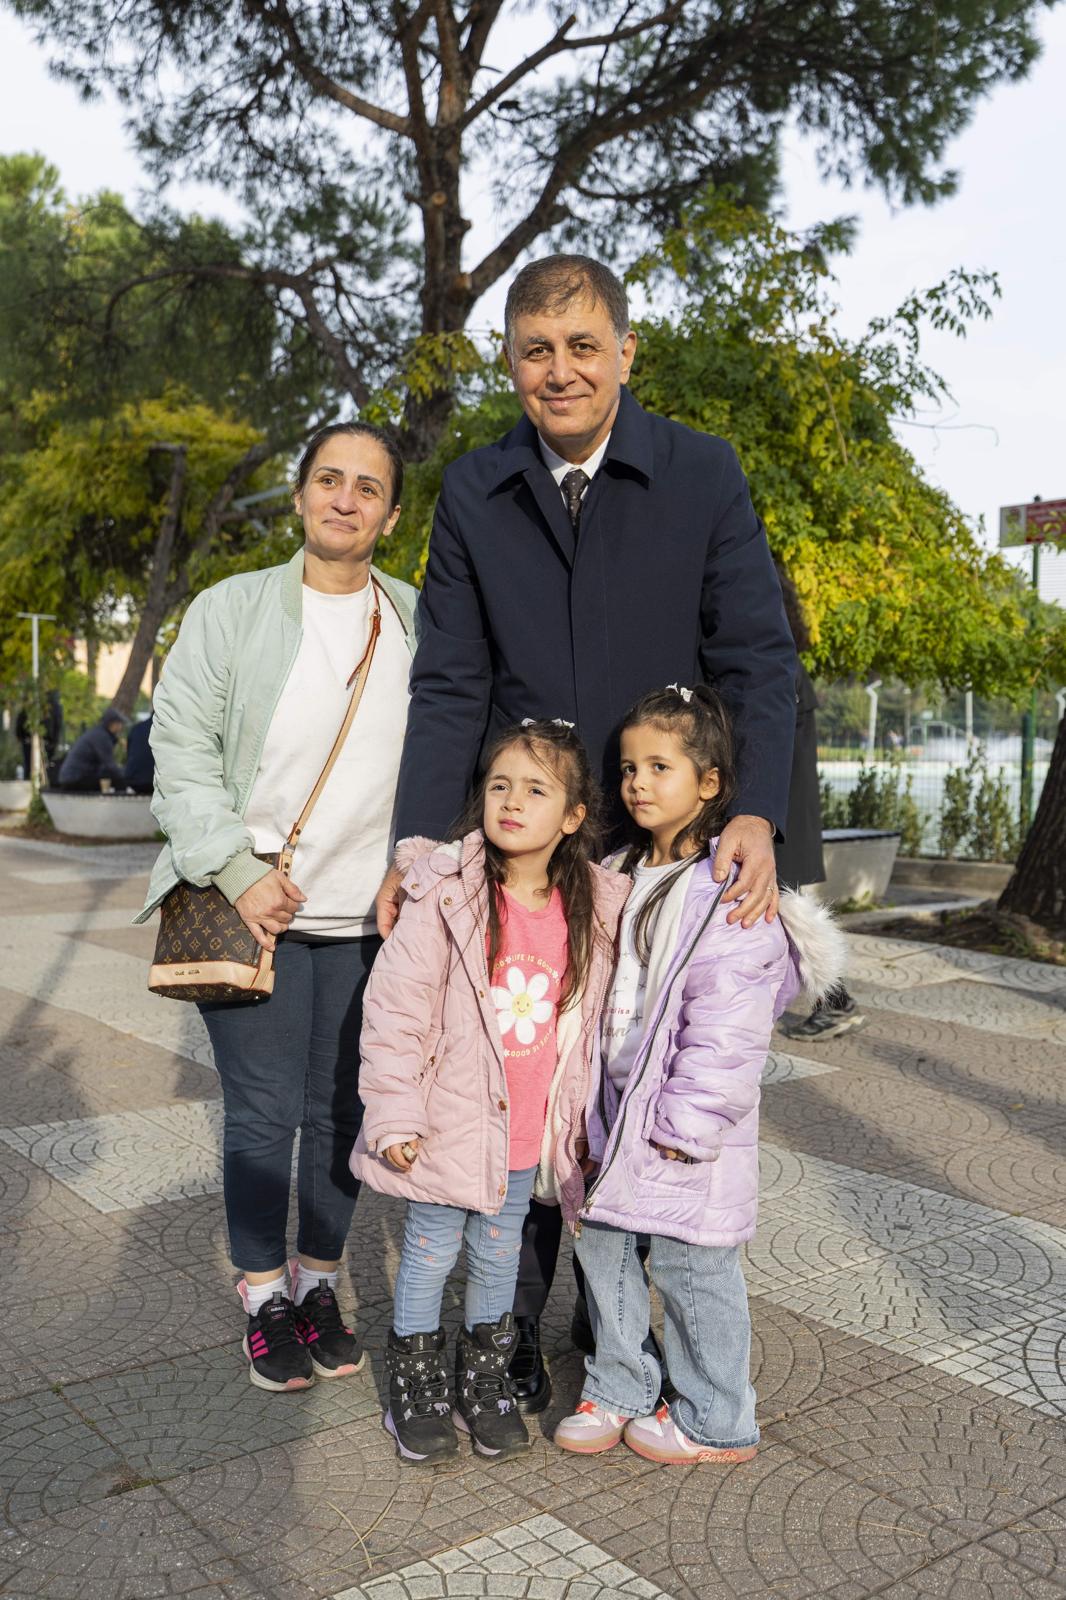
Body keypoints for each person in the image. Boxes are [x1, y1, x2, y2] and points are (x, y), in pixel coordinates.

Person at [377, 253, 798, 1407]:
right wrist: (421, 850)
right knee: (511, 1077)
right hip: (528, 848)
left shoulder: (702, 473)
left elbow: (756, 657)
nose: (557, 371)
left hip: (664, 851)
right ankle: (507, 1324)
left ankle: (618, 1333)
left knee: (631, 1091)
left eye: (580, 346)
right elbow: (448, 683)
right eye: (533, 350)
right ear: (509, 361)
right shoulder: (476, 489)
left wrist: (754, 809)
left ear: (623, 352)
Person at [135, 421, 418, 1392]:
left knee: (344, 1110)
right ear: (300, 496)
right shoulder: (232, 609)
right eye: (328, 479)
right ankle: (262, 1294)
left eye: (368, 487)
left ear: (391, 513)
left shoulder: (416, 620)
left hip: (371, 923)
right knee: (263, 1116)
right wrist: (234, 866)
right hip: (253, 912)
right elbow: (179, 750)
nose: (345, 498)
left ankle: (318, 1282)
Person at [553, 685, 844, 1464]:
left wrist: (688, 1125)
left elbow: (728, 1032)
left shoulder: (729, 890)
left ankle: (717, 1418)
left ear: (710, 782)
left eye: (660, 767)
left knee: (692, 1265)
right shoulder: (615, 871)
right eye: (628, 768)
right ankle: (619, 1385)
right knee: (602, 1250)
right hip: (611, 1109)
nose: (637, 783)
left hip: (684, 1126)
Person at [351, 721, 628, 1465]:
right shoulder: (447, 895)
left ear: (571, 816)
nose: (511, 801)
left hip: (526, 1133)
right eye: (499, 784)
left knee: (500, 1256)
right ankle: (416, 1388)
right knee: (429, 1252)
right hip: (446, 1127)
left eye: (536, 790)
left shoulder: (592, 907)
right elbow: (395, 1012)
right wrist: (395, 1114)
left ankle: (483, 1382)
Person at [773, 564, 865, 1042]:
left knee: (790, 908)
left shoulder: (777, 667)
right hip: (788, 810)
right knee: (790, 906)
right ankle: (833, 999)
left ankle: (835, 1000)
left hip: (780, 813)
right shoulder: (785, 662)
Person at [57, 708, 127, 791]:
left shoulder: (98, 732)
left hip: (71, 777)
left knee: (111, 774)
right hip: (76, 778)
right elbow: (110, 765)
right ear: (112, 723)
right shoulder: (102, 737)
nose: (121, 727)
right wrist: (127, 774)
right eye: (119, 723)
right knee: (118, 778)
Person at [123, 711, 155, 795]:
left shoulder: (136, 728)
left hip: (133, 781)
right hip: (155, 782)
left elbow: (129, 755)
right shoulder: (167, 729)